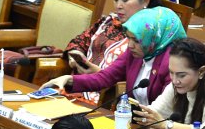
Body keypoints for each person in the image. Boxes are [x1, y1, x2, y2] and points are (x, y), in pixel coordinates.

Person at [43, 8, 186, 105]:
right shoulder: (134, 53)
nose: (129, 45)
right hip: (136, 124)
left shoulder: (173, 63)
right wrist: (68, 80)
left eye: (136, 40)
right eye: (128, 38)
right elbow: (105, 77)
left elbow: (166, 109)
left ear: (154, 38)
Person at [61, 0, 155, 102]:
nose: (118, 6)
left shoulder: (149, 36)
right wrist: (76, 56)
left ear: (145, 0)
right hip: (75, 87)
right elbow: (79, 41)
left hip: (106, 99)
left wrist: (100, 73)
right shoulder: (108, 22)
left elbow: (140, 79)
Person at [133, 38, 205, 129]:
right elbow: (156, 111)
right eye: (171, 73)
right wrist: (137, 113)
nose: (174, 80)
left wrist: (166, 125)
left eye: (181, 75)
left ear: (201, 71)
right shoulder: (176, 85)